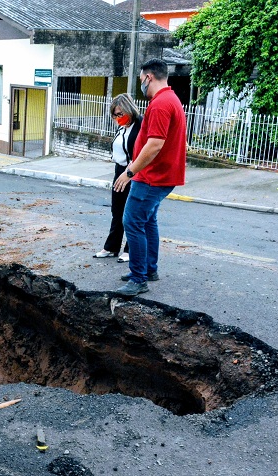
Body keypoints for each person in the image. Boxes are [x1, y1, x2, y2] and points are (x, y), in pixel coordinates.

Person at [112, 58, 186, 297]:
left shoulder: (161, 104)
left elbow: (154, 145)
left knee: (132, 222)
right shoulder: (169, 99)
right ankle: (149, 269)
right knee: (148, 221)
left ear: (149, 77)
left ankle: (138, 278)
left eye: (141, 78)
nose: (141, 83)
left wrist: (130, 171)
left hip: (152, 177)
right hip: (160, 176)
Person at [93, 93, 143, 264]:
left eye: (120, 114)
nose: (117, 118)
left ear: (129, 110)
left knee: (131, 213)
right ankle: (111, 247)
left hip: (134, 172)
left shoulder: (140, 126)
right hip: (119, 170)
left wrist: (130, 172)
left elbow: (142, 153)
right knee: (117, 211)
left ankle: (130, 249)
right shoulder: (122, 127)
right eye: (114, 115)